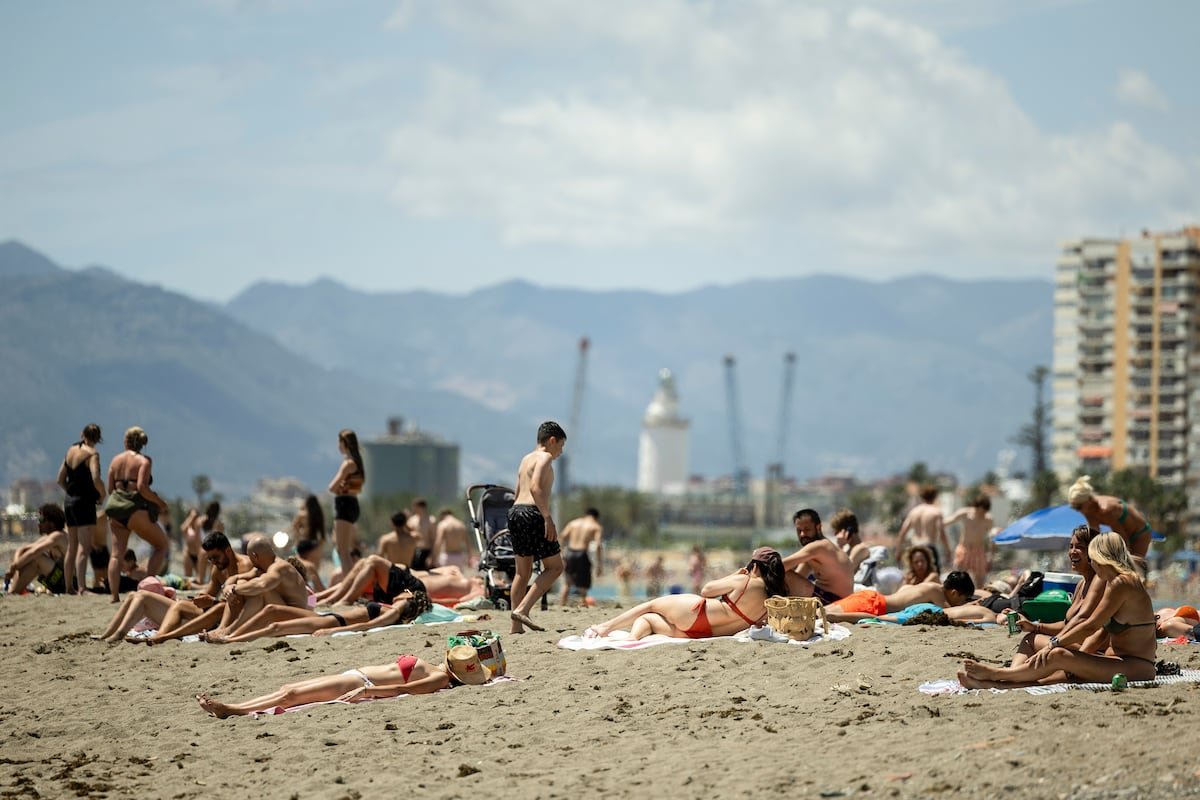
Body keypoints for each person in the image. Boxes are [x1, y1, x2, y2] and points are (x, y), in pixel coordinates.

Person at [959, 532, 1158, 688]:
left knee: (1057, 656)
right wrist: (1072, 653)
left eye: (1093, 559)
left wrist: (1054, 644)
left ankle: (997, 675)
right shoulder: (1117, 582)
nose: (1093, 565)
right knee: (1059, 665)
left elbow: (1090, 625)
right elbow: (1098, 630)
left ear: (1102, 558)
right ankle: (994, 683)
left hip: (1135, 666)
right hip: (1116, 661)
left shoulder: (1122, 582)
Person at [196, 645, 493, 718]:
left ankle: (233, 710)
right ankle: (235, 707)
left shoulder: (439, 678)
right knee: (288, 690)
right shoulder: (437, 668)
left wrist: (367, 690)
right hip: (354, 676)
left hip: (356, 682)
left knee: (291, 696)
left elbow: (403, 689)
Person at [586, 547, 788, 640]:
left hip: (698, 613)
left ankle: (605, 627)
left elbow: (706, 590)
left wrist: (734, 575)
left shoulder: (745, 580)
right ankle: (632, 638)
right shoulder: (773, 601)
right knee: (650, 619)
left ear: (755, 566)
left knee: (651, 606)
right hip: (706, 633)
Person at [103, 531, 252, 643]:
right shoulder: (218, 569)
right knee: (149, 598)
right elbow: (209, 593)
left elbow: (243, 604)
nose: (213, 562)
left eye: (215, 557)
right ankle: (111, 633)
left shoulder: (245, 567)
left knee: (147, 598)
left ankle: (157, 636)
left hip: (230, 617)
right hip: (214, 612)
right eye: (210, 559)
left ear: (228, 550)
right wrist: (200, 598)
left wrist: (213, 602)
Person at [1004, 525, 1105, 666]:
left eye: (1079, 547)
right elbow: (1067, 624)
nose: (1072, 552)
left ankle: (1011, 675)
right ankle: (1012, 674)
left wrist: (1054, 642)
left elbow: (1087, 626)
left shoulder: (1100, 583)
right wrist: (1034, 626)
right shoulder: (1082, 584)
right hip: (1074, 645)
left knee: (1032, 640)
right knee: (1032, 637)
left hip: (1093, 652)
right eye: (1071, 547)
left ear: (1093, 551)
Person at [506, 421, 567, 633]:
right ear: (552, 441)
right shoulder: (545, 457)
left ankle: (516, 626)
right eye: (560, 446)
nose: (560, 452)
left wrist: (514, 521)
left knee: (522, 573)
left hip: (516, 511)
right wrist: (547, 517)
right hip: (533, 513)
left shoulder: (525, 459)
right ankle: (523, 609)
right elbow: (535, 487)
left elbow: (517, 491)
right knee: (555, 567)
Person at [102, 427, 170, 601]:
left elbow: (110, 489)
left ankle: (114, 596)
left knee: (116, 554)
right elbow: (141, 487)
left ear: (126, 442)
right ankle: (146, 589)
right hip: (134, 509)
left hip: (115, 509)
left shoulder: (115, 460)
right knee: (161, 545)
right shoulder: (144, 461)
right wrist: (159, 503)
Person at [205, 536, 311, 639]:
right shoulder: (263, 568)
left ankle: (231, 630)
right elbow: (236, 577)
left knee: (260, 592)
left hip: (296, 617)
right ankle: (223, 627)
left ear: (255, 556)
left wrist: (234, 589)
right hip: (280, 612)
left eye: (251, 558)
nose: (251, 562)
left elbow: (262, 585)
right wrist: (227, 587)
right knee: (242, 582)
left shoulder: (279, 567)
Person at [56, 423, 105, 595]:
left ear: (82, 434)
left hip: (69, 501)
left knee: (72, 547)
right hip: (85, 503)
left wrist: (71, 492)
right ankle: (82, 588)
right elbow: (96, 478)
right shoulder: (92, 454)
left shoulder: (70, 451)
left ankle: (69, 586)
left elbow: (60, 479)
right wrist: (102, 494)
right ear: (98, 438)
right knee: (84, 547)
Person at [315, 553, 432, 623]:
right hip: (398, 590)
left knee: (372, 560)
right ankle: (320, 600)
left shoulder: (338, 574)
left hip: (409, 589)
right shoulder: (354, 578)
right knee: (366, 562)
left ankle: (322, 600)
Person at [823, 571, 976, 623]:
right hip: (876, 605)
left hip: (871, 597)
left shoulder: (928, 586)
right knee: (828, 615)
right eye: (962, 599)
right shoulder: (936, 591)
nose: (961, 603)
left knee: (821, 610)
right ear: (955, 592)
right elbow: (951, 614)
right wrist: (972, 607)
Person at [1068, 475, 1154, 559]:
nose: (1077, 510)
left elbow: (1121, 539)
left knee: (1133, 566)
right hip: (1126, 534)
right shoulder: (1088, 510)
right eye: (1074, 507)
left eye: (1078, 507)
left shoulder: (1105, 509)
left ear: (1089, 500)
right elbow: (1095, 538)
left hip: (1140, 533)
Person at [782, 508, 854, 604]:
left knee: (781, 572)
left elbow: (781, 566)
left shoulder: (820, 546)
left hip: (833, 601)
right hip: (830, 598)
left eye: (807, 529)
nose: (802, 534)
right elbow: (799, 576)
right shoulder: (816, 552)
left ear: (818, 527)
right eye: (799, 530)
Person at [4, 504, 69, 594]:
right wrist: (14, 564)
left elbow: (34, 552)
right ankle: (12, 590)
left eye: (41, 520)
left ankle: (12, 591)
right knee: (25, 559)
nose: (38, 523)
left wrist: (14, 567)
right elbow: (22, 549)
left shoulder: (58, 536)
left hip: (69, 583)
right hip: (58, 581)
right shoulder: (49, 537)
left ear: (52, 523)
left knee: (37, 558)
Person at [327, 429, 364, 573]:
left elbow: (332, 487)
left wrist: (338, 488)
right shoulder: (358, 462)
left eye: (339, 442)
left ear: (344, 443)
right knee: (345, 548)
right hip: (352, 504)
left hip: (344, 505)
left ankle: (349, 581)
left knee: (342, 549)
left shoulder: (348, 464)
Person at [944, 495, 995, 587]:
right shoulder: (965, 513)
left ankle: (980, 599)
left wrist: (990, 555)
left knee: (980, 579)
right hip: (964, 549)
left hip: (978, 551)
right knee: (958, 576)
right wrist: (937, 524)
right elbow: (948, 521)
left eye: (984, 511)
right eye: (981, 510)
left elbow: (992, 537)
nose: (982, 513)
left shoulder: (988, 519)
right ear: (977, 507)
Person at [895, 484, 949, 567]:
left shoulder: (914, 511)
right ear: (935, 496)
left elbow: (902, 533)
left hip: (915, 548)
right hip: (929, 547)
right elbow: (942, 533)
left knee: (914, 577)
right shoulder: (936, 512)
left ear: (922, 497)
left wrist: (898, 551)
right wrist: (947, 551)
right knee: (932, 577)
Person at [559, 508, 603, 605]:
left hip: (570, 552)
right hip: (582, 553)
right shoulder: (595, 526)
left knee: (567, 582)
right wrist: (599, 564)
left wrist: (561, 553)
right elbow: (598, 544)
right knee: (583, 582)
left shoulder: (573, 523)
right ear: (596, 517)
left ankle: (562, 604)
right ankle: (583, 602)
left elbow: (562, 536)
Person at [829, 508, 870, 575]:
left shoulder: (860, 548)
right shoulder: (848, 549)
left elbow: (843, 571)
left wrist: (840, 546)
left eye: (837, 532)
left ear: (847, 531)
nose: (836, 536)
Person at [292, 495, 327, 571]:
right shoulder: (320, 515)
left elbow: (295, 526)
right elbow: (322, 532)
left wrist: (298, 537)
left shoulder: (302, 514)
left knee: (300, 566)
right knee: (314, 568)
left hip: (304, 541)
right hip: (316, 543)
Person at [407, 498, 436, 570]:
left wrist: (432, 556)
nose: (414, 509)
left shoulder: (431, 521)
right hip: (413, 551)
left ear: (421, 507)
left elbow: (433, 540)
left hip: (426, 551)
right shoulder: (411, 520)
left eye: (415, 507)